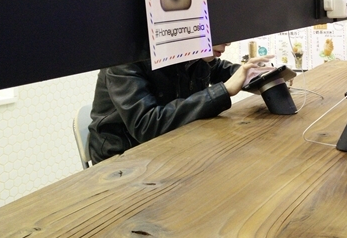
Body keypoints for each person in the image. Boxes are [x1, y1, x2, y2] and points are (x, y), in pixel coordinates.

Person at [88, 43, 273, 164]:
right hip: (122, 159)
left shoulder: (191, 53)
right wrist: (224, 90)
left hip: (171, 148)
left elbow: (220, 69)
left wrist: (255, 76)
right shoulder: (124, 60)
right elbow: (147, 124)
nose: (228, 43)